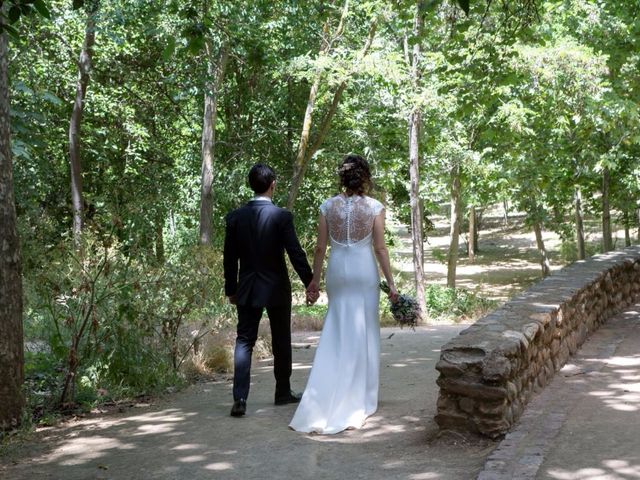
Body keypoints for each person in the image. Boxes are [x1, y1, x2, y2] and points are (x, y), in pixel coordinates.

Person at [289, 154, 398, 434]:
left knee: (337, 325)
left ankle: (326, 389)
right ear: (364, 177)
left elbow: (319, 249)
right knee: (365, 327)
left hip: (337, 270)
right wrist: (392, 284)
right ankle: (363, 394)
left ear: (342, 177)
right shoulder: (374, 207)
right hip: (363, 270)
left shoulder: (328, 207)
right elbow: (380, 248)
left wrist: (314, 281)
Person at [224, 164, 318, 417]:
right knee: (281, 339)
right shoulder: (281, 216)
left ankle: (240, 398)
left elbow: (229, 258)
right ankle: (282, 392)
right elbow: (295, 253)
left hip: (247, 287)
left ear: (250, 184)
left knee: (244, 341)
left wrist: (231, 289)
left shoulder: (235, 217)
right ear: (273, 184)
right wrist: (310, 282)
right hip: (276, 287)